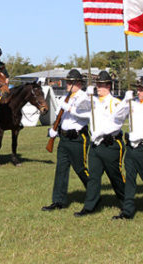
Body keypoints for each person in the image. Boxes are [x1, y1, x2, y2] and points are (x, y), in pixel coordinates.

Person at [74, 70, 126, 217]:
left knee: (115, 176)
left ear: (109, 86)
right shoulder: (93, 101)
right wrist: (86, 95)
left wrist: (105, 133)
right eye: (97, 85)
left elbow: (118, 122)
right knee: (94, 178)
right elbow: (79, 108)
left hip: (110, 143)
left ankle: (126, 203)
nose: (98, 87)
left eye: (102, 85)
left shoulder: (115, 102)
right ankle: (90, 206)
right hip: (96, 145)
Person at [111, 76, 143, 220]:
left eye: (141, 89)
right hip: (132, 146)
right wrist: (125, 101)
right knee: (130, 178)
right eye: (137, 88)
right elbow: (117, 115)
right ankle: (127, 211)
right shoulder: (132, 103)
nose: (138, 91)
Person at [41, 69, 90, 211]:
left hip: (77, 138)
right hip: (64, 138)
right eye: (67, 82)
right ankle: (58, 201)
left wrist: (67, 107)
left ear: (79, 83)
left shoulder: (84, 97)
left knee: (80, 169)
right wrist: (54, 130)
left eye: (71, 82)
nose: (67, 84)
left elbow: (84, 115)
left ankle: (93, 193)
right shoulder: (64, 97)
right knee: (61, 169)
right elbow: (58, 117)